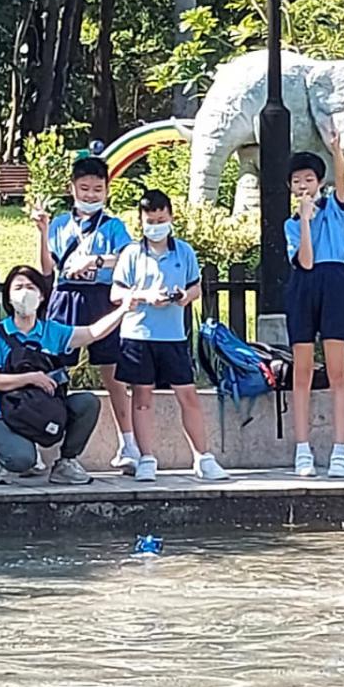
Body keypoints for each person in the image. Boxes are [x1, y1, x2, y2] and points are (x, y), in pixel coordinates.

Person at [110, 190, 229, 483]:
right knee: (142, 396)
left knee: (188, 394)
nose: (156, 226)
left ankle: (203, 457)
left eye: (161, 219)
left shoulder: (184, 252)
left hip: (173, 336)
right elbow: (116, 293)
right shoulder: (131, 253)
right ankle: (147, 458)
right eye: (150, 221)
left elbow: (195, 287)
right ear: (141, 221)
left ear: (171, 218)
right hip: (138, 335)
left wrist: (183, 296)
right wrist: (145, 296)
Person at [0, 265, 127, 483]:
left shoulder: (52, 330)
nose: (25, 292)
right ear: (8, 297)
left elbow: (91, 333)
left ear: (42, 295)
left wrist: (123, 309)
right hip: (0, 417)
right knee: (22, 459)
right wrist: (31, 378)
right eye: (18, 287)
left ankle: (66, 463)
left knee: (86, 403)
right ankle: (4, 457)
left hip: (42, 410)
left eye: (31, 287)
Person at [35, 155, 139, 472]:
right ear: (72, 188)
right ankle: (38, 443)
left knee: (114, 374)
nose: (91, 195)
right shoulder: (59, 224)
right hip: (65, 297)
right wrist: (41, 232)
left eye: (97, 189)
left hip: (102, 298)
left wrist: (96, 261)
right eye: (84, 188)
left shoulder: (113, 225)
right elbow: (47, 269)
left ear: (107, 190)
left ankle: (129, 444)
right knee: (52, 372)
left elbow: (129, 257)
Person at [285, 123, 344, 478]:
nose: (303, 186)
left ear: (319, 182)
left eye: (309, 180)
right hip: (304, 283)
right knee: (302, 370)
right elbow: (306, 261)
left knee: (337, 369)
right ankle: (303, 449)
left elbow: (342, 181)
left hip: (334, 281)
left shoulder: (337, 208)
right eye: (297, 181)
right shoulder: (291, 224)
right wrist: (305, 221)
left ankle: (340, 450)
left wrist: (336, 151)